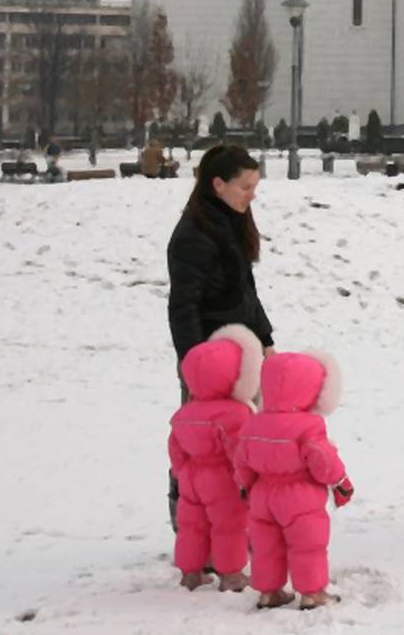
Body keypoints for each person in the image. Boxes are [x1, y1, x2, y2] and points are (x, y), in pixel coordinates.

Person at [165, 145, 275, 530]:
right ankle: (191, 527)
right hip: (210, 361)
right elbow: (183, 307)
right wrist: (194, 366)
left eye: (255, 186)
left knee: (245, 439)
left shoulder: (233, 221)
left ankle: (237, 522)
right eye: (245, 186)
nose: (252, 194)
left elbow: (247, 291)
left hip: (244, 354)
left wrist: (265, 337)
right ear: (218, 185)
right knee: (199, 446)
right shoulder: (193, 236)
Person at [237, 350, 352, 611]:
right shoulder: (309, 425)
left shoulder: (255, 423)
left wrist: (245, 485)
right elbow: (322, 459)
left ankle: (270, 592)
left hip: (263, 494)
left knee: (266, 546)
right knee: (307, 545)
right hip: (300, 495)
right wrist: (340, 481)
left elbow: (241, 459)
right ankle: (312, 593)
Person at [168, 324, 262, 593]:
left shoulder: (185, 413)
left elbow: (175, 448)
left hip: (190, 478)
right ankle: (230, 573)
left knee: (192, 526)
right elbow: (239, 451)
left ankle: (190, 573)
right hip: (222, 479)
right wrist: (246, 479)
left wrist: (182, 472)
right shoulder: (235, 413)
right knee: (228, 526)